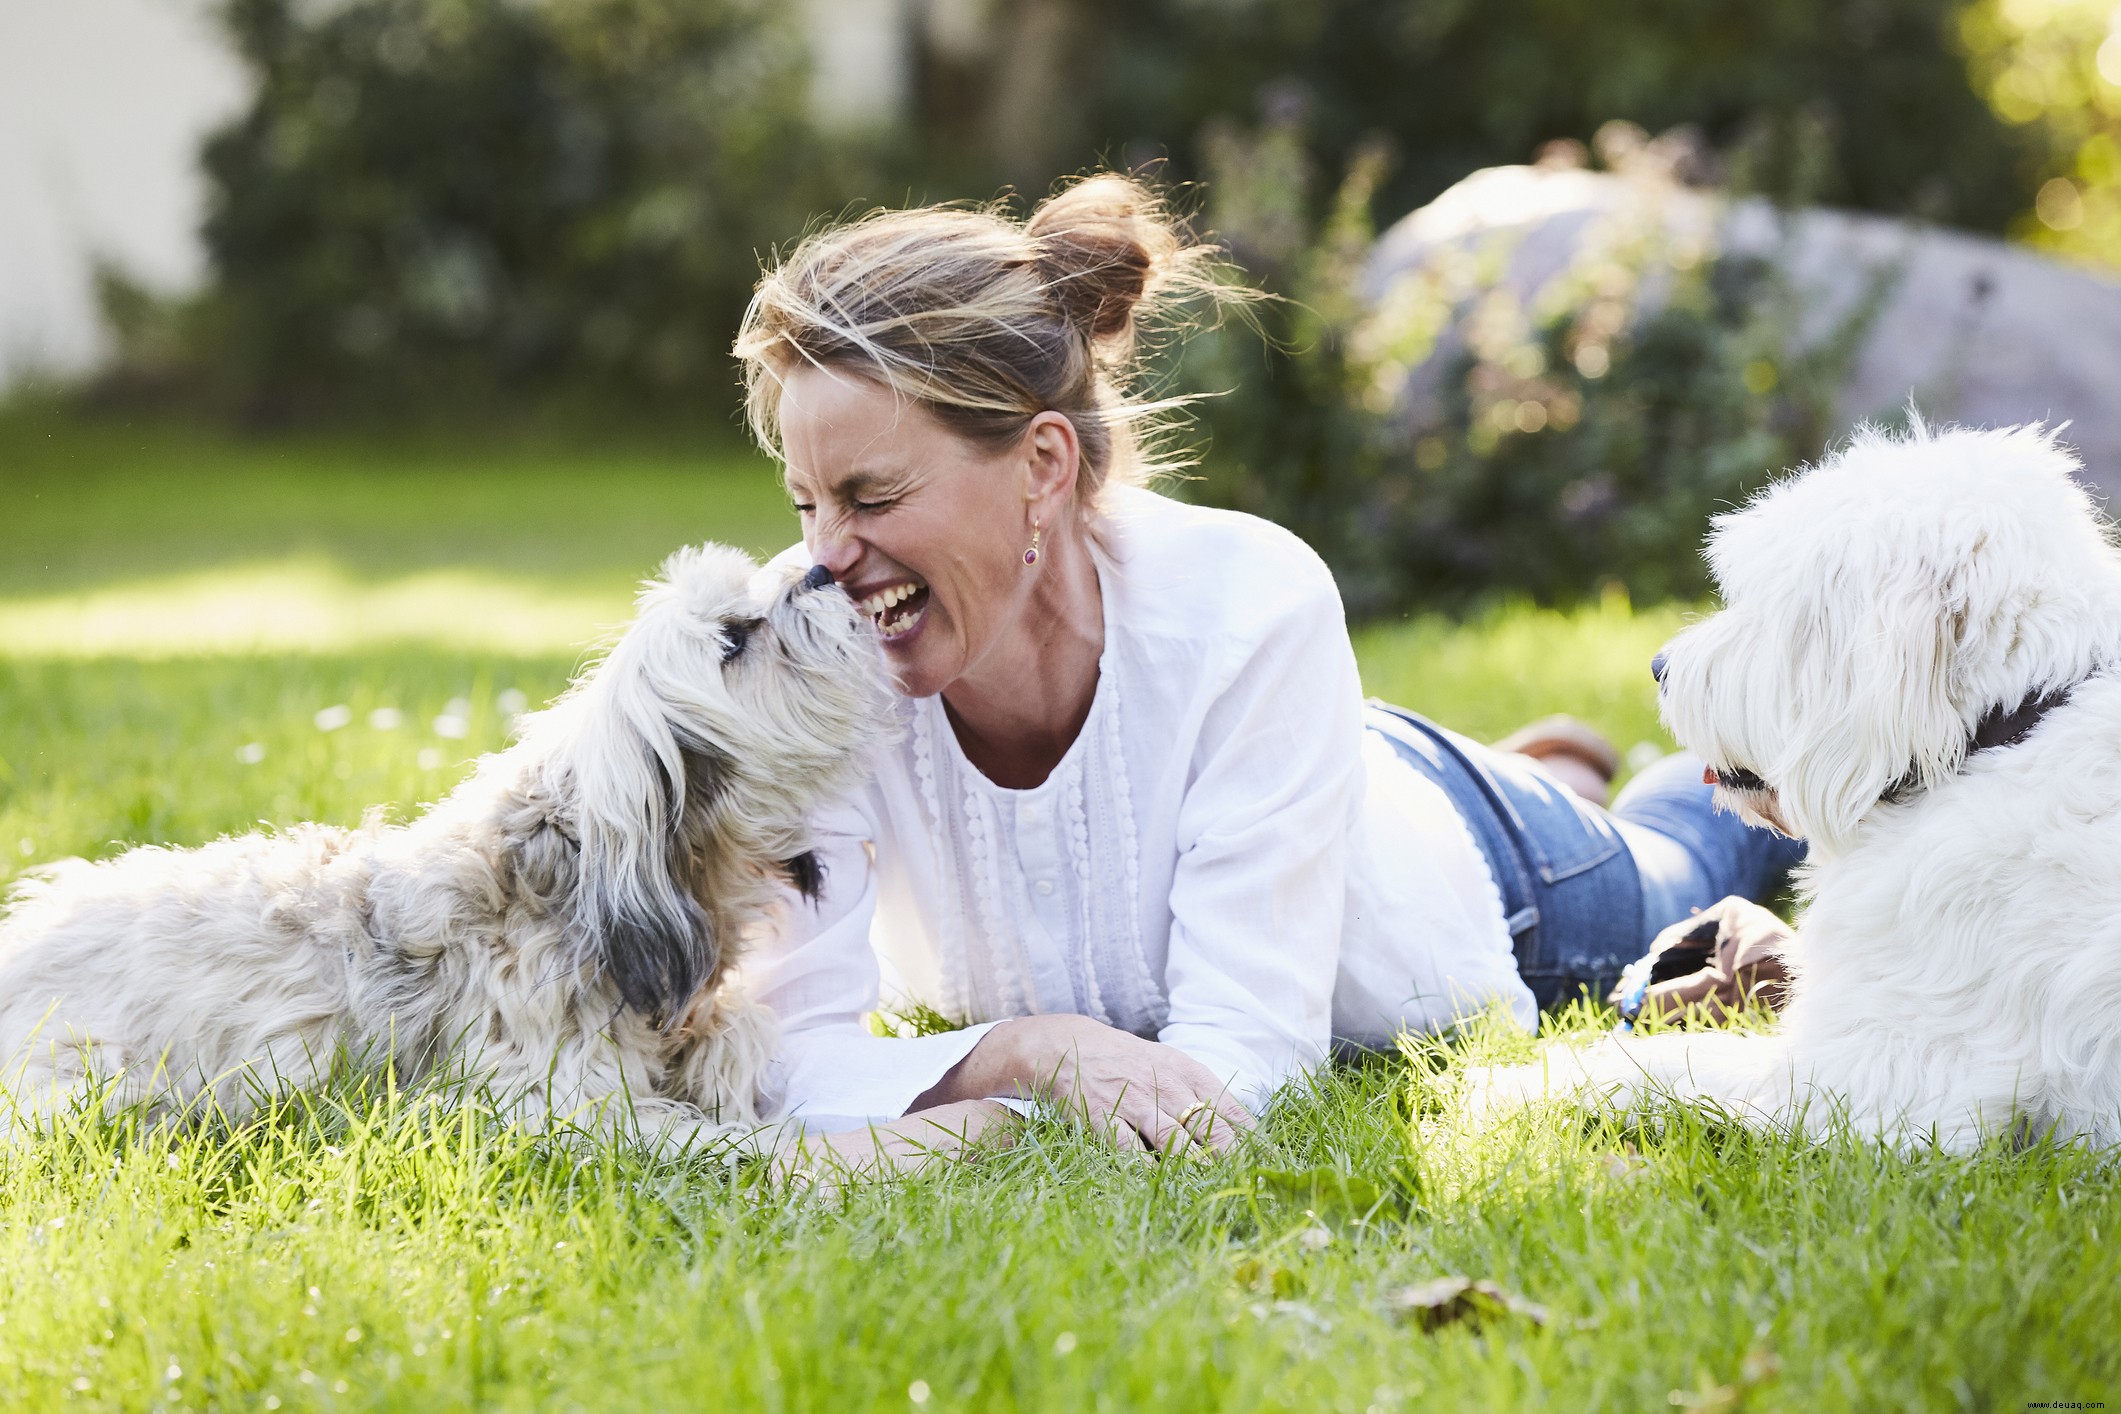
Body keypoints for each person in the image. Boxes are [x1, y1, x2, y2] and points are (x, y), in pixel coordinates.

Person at [731, 175, 1803, 1161]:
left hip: (1482, 872)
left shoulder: (1247, 602)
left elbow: (1235, 1083)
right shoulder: (807, 645)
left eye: (871, 499)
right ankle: (1552, 763)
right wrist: (1022, 1050)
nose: (824, 557)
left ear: (1043, 466)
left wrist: (974, 1104)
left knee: (1683, 858)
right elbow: (779, 1058)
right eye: (805, 503)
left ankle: (1619, 786)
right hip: (1298, 770)